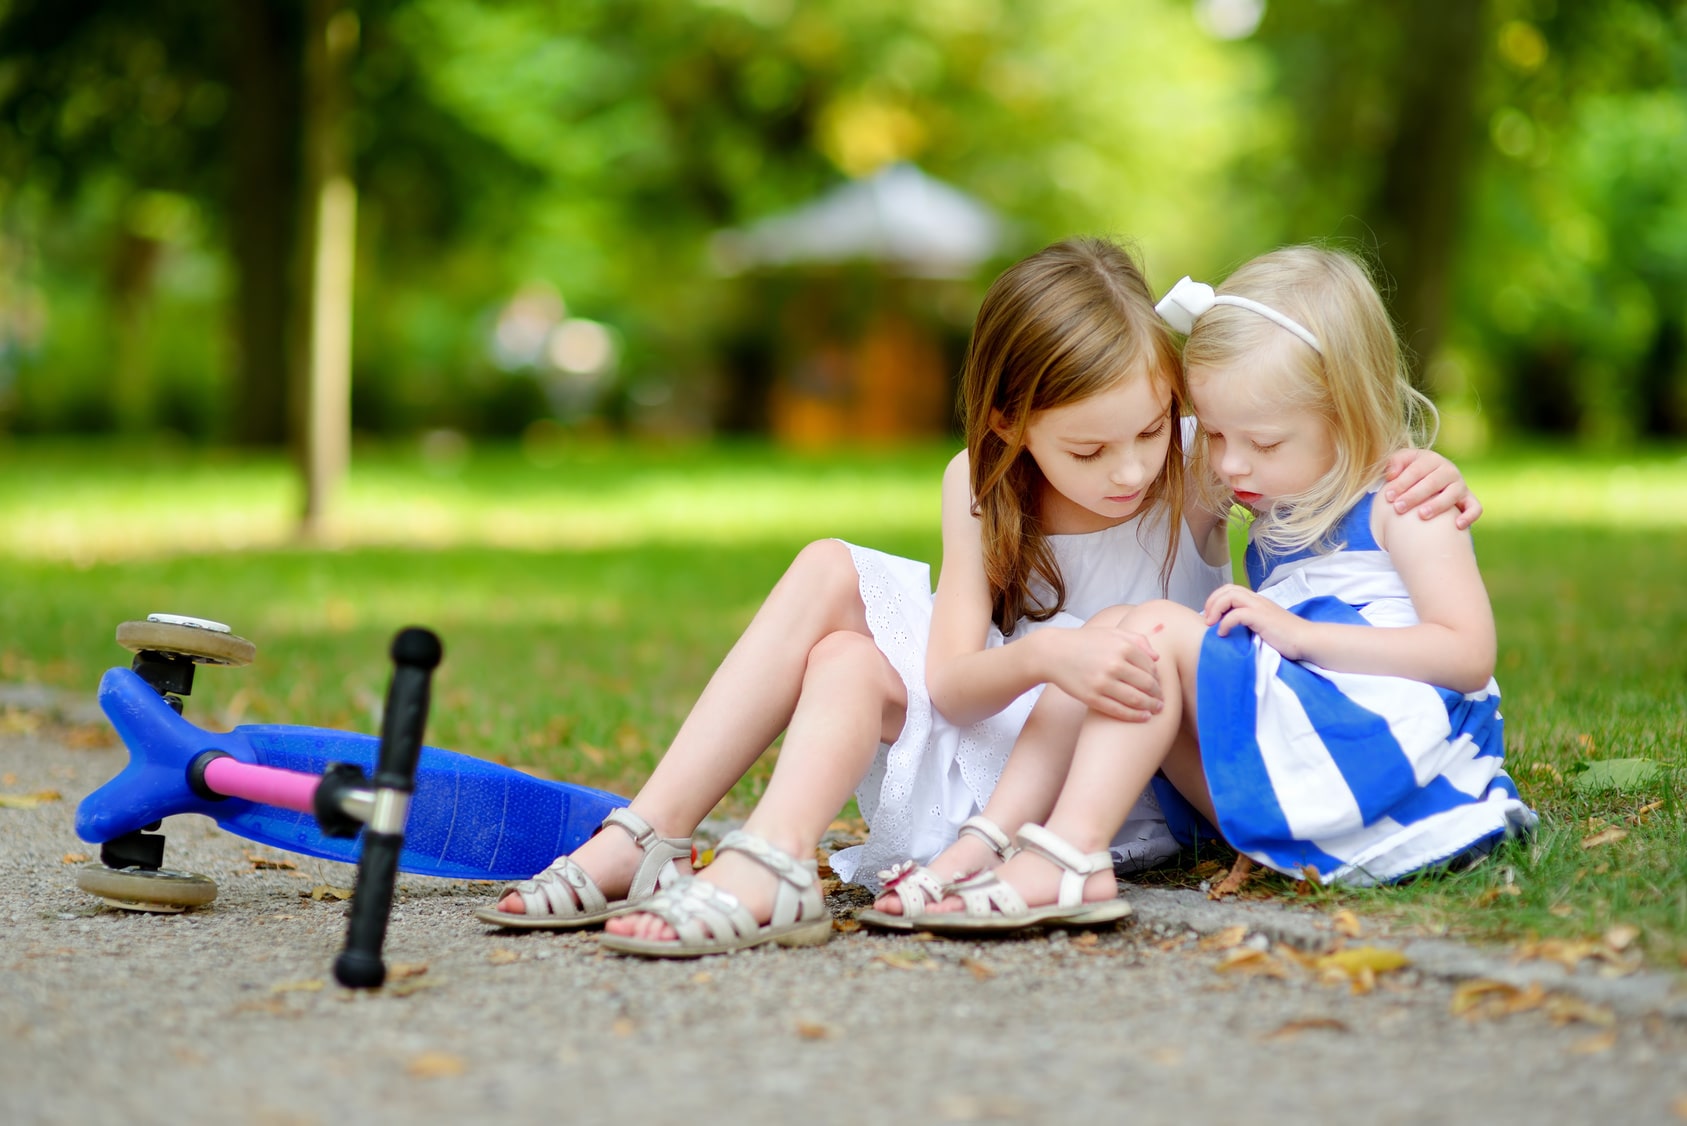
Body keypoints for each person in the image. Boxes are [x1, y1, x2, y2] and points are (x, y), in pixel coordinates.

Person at [474, 238, 1474, 956]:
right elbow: (955, 686)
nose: (1128, 470)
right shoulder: (979, 484)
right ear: (1010, 421)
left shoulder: (1195, 461)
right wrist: (1047, 651)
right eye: (1086, 448)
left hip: (1102, 760)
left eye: (1150, 427)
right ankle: (674, 840)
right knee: (834, 603)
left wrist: (1423, 469)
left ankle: (728, 859)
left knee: (853, 637)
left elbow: (1307, 433)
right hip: (995, 729)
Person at [910, 245, 1534, 933]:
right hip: (1287, 770)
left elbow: (1468, 654)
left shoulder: (1403, 501)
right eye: (1211, 434)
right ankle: (991, 841)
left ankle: (1071, 854)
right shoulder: (1275, 497)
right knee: (1110, 634)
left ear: (1349, 410)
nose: (1230, 463)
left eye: (1263, 443)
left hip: (1374, 769)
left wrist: (1298, 635)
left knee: (1146, 628)